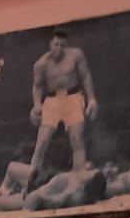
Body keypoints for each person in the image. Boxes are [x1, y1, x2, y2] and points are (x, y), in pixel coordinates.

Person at [27, 26, 97, 185]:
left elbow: (85, 76)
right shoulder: (41, 64)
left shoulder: (76, 55)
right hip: (52, 100)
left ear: (67, 45)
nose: (59, 48)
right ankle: (30, 182)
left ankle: (79, 181)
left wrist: (92, 99)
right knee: (42, 142)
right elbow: (37, 86)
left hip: (73, 97)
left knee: (76, 139)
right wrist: (37, 105)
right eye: (56, 44)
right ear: (50, 44)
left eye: (63, 45)